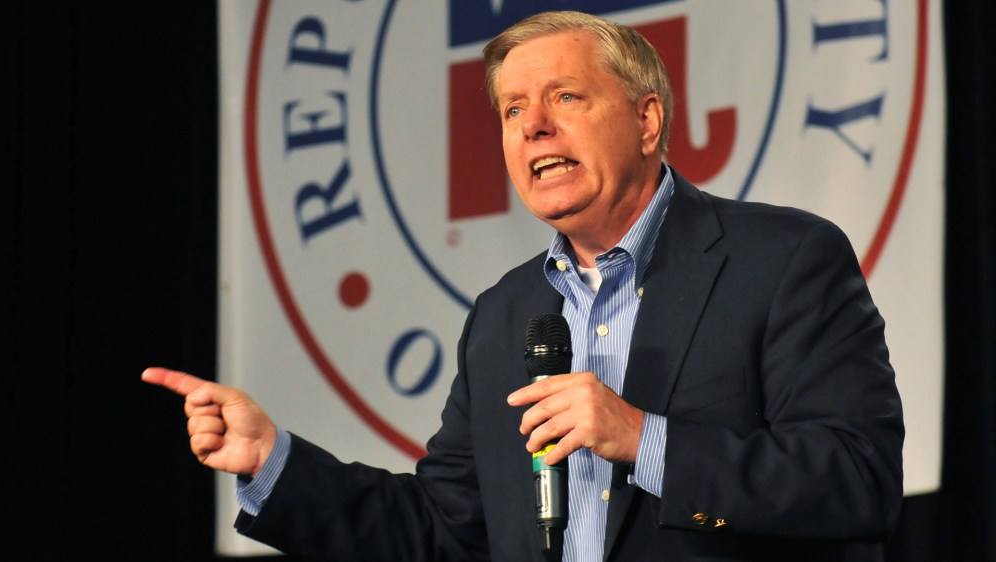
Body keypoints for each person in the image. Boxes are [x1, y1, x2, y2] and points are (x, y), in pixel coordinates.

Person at [144, 10, 904, 562]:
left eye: (565, 98)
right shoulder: (507, 316)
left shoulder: (783, 259)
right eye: (512, 109)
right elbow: (443, 531)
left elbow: (858, 480)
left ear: (648, 122)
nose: (532, 126)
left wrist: (642, 439)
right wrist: (273, 460)